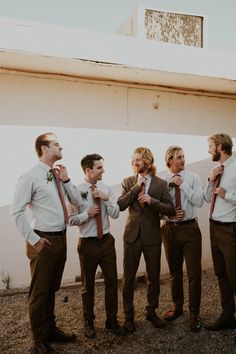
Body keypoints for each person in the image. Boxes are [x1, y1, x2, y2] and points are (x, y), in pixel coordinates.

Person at [10, 132, 78, 354]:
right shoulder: (29, 176)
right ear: (44, 148)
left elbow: (77, 201)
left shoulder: (57, 175)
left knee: (52, 289)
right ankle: (38, 340)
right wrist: (34, 239)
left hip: (61, 238)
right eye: (56, 144)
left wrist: (66, 179)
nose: (61, 147)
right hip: (42, 240)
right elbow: (16, 211)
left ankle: (50, 330)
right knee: (39, 292)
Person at [63, 154, 125, 338]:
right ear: (88, 170)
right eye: (99, 168)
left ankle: (111, 321)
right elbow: (70, 220)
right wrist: (86, 214)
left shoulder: (106, 188)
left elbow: (115, 214)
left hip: (106, 241)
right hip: (87, 244)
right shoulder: (75, 191)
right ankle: (88, 322)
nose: (103, 170)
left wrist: (107, 199)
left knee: (112, 283)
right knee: (87, 286)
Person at [117, 147, 175, 333]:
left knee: (154, 276)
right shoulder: (127, 182)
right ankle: (129, 316)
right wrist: (135, 188)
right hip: (132, 236)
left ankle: (151, 312)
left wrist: (152, 201)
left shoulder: (160, 183)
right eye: (133, 159)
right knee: (128, 278)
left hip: (152, 236)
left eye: (138, 159)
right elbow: (120, 205)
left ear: (148, 161)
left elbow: (170, 209)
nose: (135, 162)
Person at [161, 145, 204, 332]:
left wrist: (182, 184)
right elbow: (157, 207)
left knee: (194, 274)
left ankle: (194, 313)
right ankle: (178, 306)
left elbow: (199, 201)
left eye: (184, 156)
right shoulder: (161, 179)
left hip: (191, 229)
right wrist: (167, 217)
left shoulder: (193, 177)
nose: (183, 160)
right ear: (170, 160)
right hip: (170, 230)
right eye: (178, 157)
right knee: (175, 272)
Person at [204, 133, 236, 331]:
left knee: (235, 275)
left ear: (220, 147)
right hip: (214, 227)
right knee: (221, 273)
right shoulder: (215, 169)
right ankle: (228, 316)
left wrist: (228, 194)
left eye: (210, 146)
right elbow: (208, 198)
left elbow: (228, 196)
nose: (208, 150)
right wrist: (211, 179)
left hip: (230, 229)